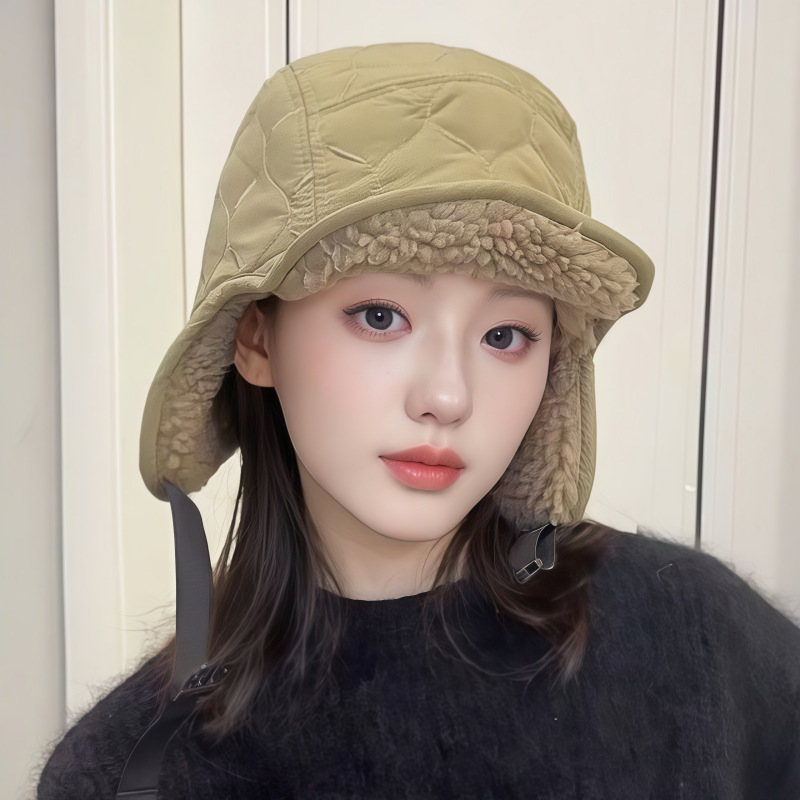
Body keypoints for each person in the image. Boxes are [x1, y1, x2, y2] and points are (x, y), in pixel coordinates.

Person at [38, 43, 800, 799]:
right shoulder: (123, 774)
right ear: (256, 339)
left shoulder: (694, 640)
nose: (448, 396)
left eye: (505, 335)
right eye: (381, 316)